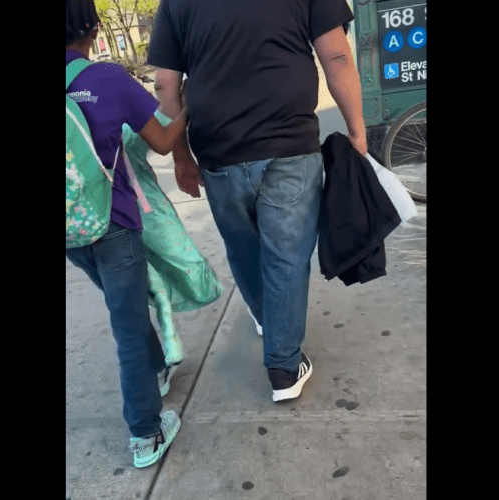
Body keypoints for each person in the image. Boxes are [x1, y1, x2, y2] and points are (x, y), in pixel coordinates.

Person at [147, 0, 367, 402]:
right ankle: (284, 366)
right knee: (287, 255)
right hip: (290, 143)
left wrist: (181, 156)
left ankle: (269, 319)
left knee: (243, 244)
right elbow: (336, 55)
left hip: (218, 150)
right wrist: (357, 133)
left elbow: (166, 84)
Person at [65, 0, 189, 468]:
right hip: (112, 223)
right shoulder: (105, 78)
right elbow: (161, 140)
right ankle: (145, 434)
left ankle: (157, 372)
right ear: (95, 30)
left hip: (71, 231)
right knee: (130, 328)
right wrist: (189, 108)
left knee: (127, 308)